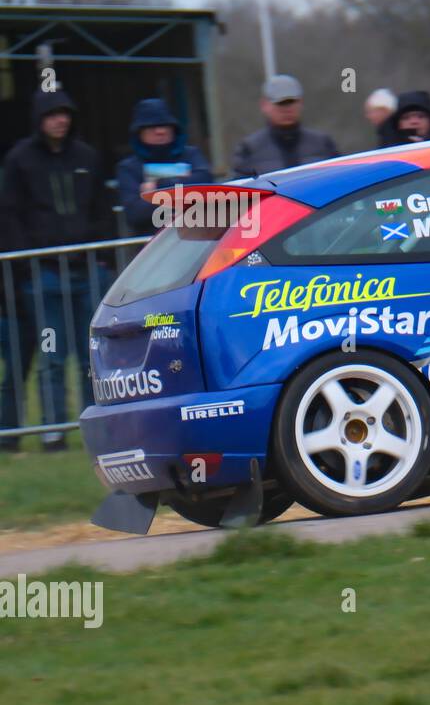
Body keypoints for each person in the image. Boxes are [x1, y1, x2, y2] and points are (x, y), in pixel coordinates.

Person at [0, 88, 115, 452]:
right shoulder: (20, 160)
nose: (60, 120)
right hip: (45, 278)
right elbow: (11, 215)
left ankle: (93, 428)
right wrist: (27, 265)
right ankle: (54, 432)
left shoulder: (87, 157)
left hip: (88, 274)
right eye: (52, 114)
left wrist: (103, 256)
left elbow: (102, 206)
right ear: (39, 119)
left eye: (65, 113)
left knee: (90, 356)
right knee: (51, 355)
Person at [115, 98, 213, 233]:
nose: (160, 131)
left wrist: (158, 188)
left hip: (197, 237)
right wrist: (186, 193)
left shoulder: (192, 155)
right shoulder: (128, 168)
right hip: (152, 243)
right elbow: (136, 213)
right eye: (152, 127)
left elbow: (205, 184)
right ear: (139, 132)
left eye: (165, 125)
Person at [230, 75, 339, 178]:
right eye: (280, 103)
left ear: (301, 103)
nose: (286, 109)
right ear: (264, 105)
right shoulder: (249, 149)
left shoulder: (323, 144)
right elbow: (243, 192)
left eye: (291, 102)